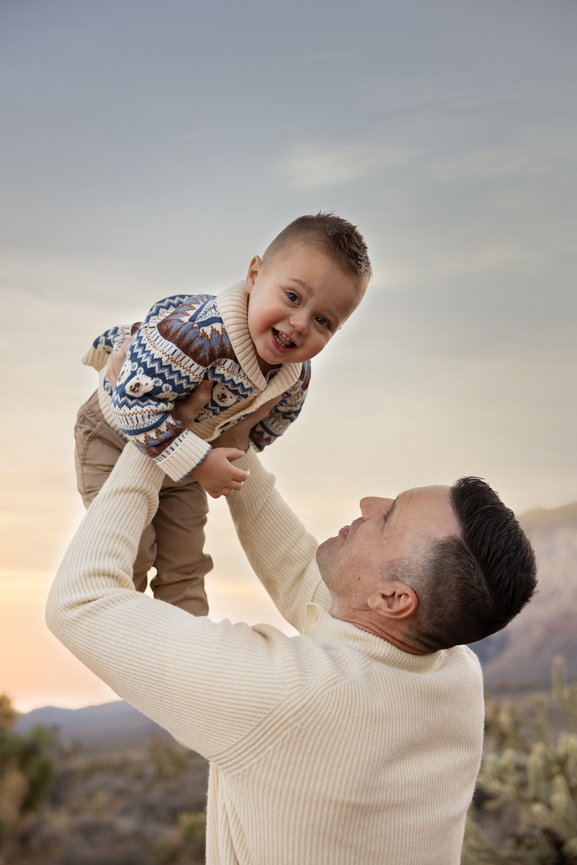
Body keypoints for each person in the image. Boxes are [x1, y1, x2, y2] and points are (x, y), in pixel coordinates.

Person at [46, 390, 537, 865]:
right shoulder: (452, 673)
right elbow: (310, 579)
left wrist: (151, 431)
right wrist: (237, 443)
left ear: (393, 599)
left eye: (387, 519)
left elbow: (81, 601)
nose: (368, 502)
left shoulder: (289, 698)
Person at [74, 212, 372, 614]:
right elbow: (132, 404)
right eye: (292, 297)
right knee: (132, 556)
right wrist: (199, 461)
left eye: (323, 321)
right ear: (254, 276)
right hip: (114, 434)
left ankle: (188, 647)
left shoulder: (294, 374)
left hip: (188, 452)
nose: (300, 324)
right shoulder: (196, 333)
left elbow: (277, 418)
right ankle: (125, 640)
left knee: (185, 563)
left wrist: (235, 446)